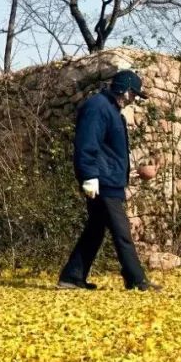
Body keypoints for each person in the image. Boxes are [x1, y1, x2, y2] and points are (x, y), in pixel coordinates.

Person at [57, 69, 161, 291]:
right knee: (122, 232)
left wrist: (130, 172)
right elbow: (87, 143)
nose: (133, 99)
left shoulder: (110, 110)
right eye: (133, 94)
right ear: (123, 90)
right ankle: (136, 279)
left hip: (108, 179)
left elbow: (109, 152)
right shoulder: (98, 107)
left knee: (95, 230)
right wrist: (89, 176)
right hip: (102, 182)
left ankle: (72, 276)